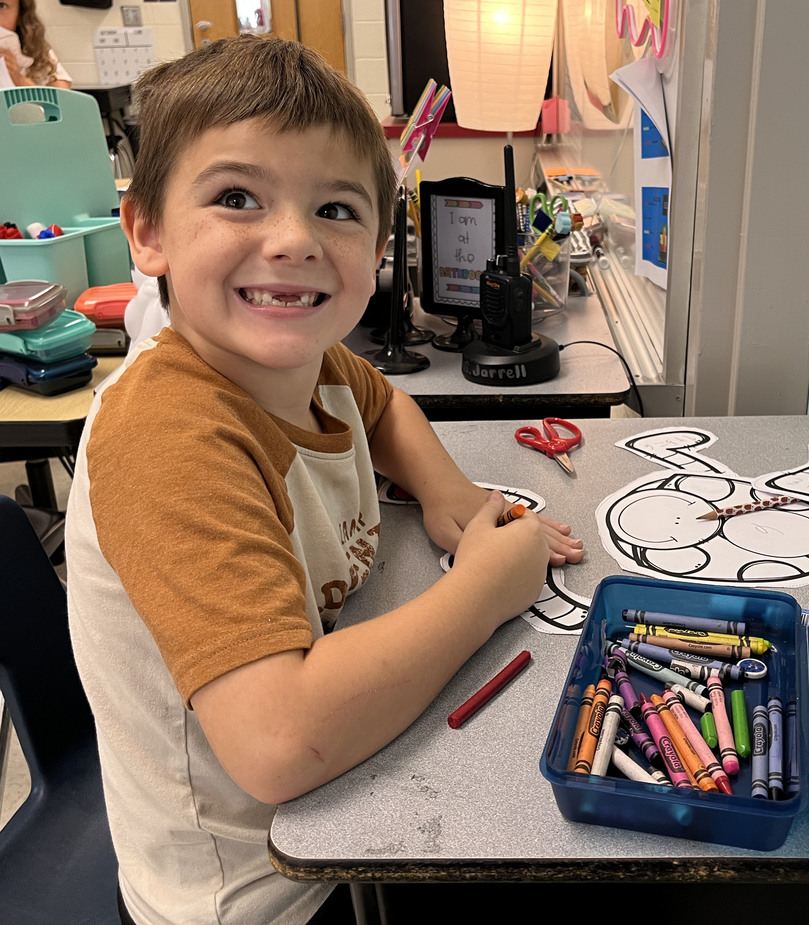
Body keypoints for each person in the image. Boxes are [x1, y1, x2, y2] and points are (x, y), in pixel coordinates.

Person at [65, 35, 584, 925]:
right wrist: (487, 591)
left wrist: (448, 494)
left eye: (336, 209)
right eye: (237, 198)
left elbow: (382, 408)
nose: (295, 240)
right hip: (254, 892)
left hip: (344, 819)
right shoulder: (168, 432)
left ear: (380, 245)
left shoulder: (311, 362)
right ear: (146, 230)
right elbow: (278, 741)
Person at [0, 0, 72, 88]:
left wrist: (19, 79)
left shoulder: (33, 47)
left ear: (20, 14)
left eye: (1, 6)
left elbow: (62, 97)